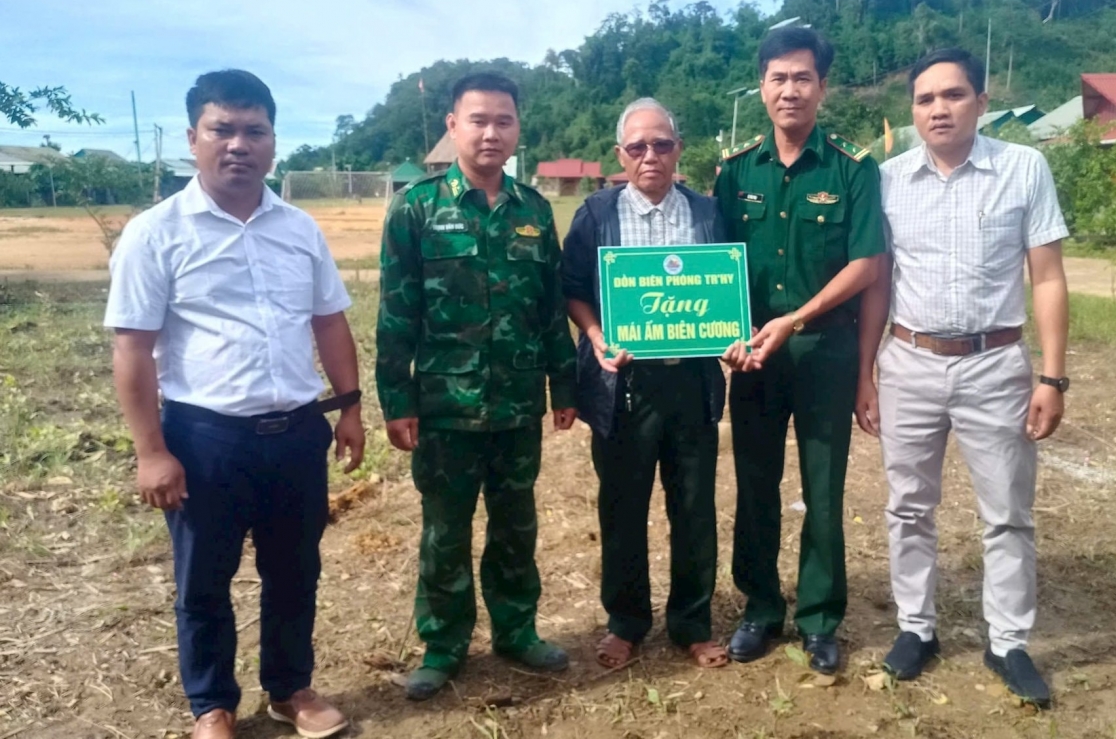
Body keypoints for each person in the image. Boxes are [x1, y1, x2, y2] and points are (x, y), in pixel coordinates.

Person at [106, 70, 364, 739]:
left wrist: (349, 407)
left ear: (273, 142)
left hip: (296, 432)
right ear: (192, 138)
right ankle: (212, 705)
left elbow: (329, 322)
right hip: (204, 439)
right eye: (222, 129)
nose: (239, 144)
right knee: (204, 581)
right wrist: (151, 451)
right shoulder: (155, 233)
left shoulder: (299, 229)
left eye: (255, 131)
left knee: (295, 570)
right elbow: (133, 349)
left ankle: (290, 688)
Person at [855, 47, 1068, 708]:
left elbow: (1048, 276)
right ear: (913, 110)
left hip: (995, 364)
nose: (939, 109)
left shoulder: (1023, 168)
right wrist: (865, 371)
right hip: (910, 360)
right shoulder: (887, 180)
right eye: (925, 99)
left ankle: (1008, 641)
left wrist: (1053, 377)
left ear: (982, 101)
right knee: (908, 505)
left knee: (1007, 511)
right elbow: (879, 283)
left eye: (953, 95)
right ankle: (916, 628)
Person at [376, 72, 578, 701]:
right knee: (446, 531)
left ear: (517, 128)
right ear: (452, 126)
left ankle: (517, 630)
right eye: (478, 120)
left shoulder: (534, 210)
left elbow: (550, 309)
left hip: (517, 403)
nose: (492, 133)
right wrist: (397, 400)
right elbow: (396, 313)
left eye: (504, 121)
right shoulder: (416, 208)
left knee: (516, 526)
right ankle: (443, 645)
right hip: (445, 407)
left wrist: (564, 386)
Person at [715, 26, 886, 673]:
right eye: (778, 78)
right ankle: (760, 608)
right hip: (754, 356)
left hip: (825, 353)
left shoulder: (852, 168)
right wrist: (723, 334)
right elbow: (715, 267)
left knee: (824, 487)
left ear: (823, 86)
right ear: (761, 86)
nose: (790, 90)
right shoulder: (734, 173)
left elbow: (867, 263)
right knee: (756, 484)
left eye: (803, 78)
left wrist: (797, 319)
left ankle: (819, 617)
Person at [561, 98, 729, 671]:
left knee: (694, 508)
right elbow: (574, 288)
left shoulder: (708, 213)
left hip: (692, 383)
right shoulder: (596, 214)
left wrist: (733, 332)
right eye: (637, 146)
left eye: (661, 144)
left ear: (678, 149)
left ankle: (692, 624)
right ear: (620, 155)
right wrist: (595, 334)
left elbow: (729, 287)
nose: (650, 155)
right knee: (622, 509)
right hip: (624, 389)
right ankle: (626, 623)